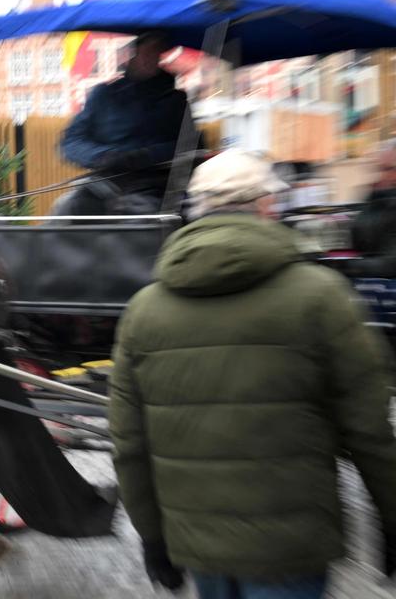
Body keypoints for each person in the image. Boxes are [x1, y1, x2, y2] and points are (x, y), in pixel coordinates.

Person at [109, 150, 396, 599]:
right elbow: (370, 430)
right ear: (266, 206)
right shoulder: (322, 297)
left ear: (196, 211)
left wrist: (152, 536)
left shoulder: (143, 312)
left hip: (198, 544)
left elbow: (128, 443)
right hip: (290, 547)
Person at [55, 32, 194, 216]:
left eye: (156, 51)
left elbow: (192, 146)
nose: (150, 57)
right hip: (105, 182)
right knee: (67, 207)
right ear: (132, 54)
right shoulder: (103, 95)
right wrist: (103, 156)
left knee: (147, 215)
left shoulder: (176, 101)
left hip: (157, 184)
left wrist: (146, 155)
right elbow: (71, 141)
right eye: (146, 50)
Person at [342, 139, 396, 278]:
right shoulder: (374, 199)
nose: (380, 176)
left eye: (388, 169)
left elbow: (391, 265)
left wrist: (344, 265)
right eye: (378, 168)